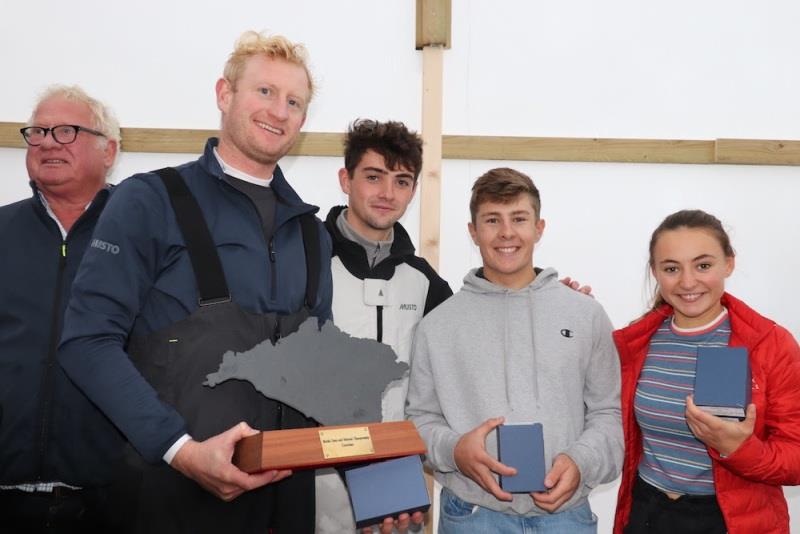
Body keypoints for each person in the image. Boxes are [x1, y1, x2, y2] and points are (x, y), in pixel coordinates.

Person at [57, 31, 332, 533]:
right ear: (224, 95)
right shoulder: (149, 202)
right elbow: (86, 342)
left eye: (294, 101)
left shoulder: (313, 234)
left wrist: (382, 477)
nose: (279, 110)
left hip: (285, 507)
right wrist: (179, 450)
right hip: (169, 497)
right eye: (264, 92)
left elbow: (322, 374)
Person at [405, 167, 623, 533]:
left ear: (539, 227)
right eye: (492, 220)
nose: (506, 233)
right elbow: (419, 420)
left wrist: (581, 461)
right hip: (473, 516)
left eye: (519, 219)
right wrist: (455, 450)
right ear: (473, 232)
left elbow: (607, 413)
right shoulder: (437, 326)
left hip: (566, 518)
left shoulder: (586, 314)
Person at [612, 209, 800, 534]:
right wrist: (573, 313)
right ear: (655, 271)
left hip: (729, 521)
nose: (687, 282)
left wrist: (738, 449)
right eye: (672, 268)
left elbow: (796, 458)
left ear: (729, 263)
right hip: (646, 512)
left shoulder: (770, 344)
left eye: (703, 265)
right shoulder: (633, 345)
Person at [316, 119, 453, 534]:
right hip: (315, 471)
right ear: (346, 178)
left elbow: (474, 338)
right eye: (373, 177)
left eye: (402, 181)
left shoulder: (424, 281)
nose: (387, 194)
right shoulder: (305, 264)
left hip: (395, 470)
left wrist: (544, 295)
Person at [0, 85, 125, 533]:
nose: (48, 142)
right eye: (37, 132)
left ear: (108, 150)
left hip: (113, 500)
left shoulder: (145, 238)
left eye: (66, 131)